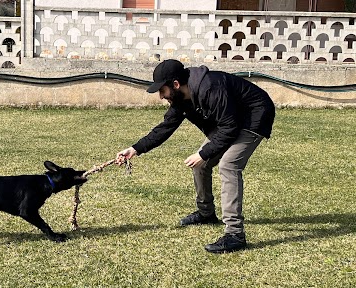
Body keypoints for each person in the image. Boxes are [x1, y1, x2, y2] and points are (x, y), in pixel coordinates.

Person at [116, 59, 275, 253]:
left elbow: (230, 128)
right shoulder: (180, 98)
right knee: (200, 164)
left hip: (254, 116)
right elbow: (165, 128)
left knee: (228, 165)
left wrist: (203, 153)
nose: (160, 96)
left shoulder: (210, 88)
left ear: (175, 84)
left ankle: (235, 234)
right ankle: (206, 213)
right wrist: (135, 148)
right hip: (230, 121)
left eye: (162, 90)